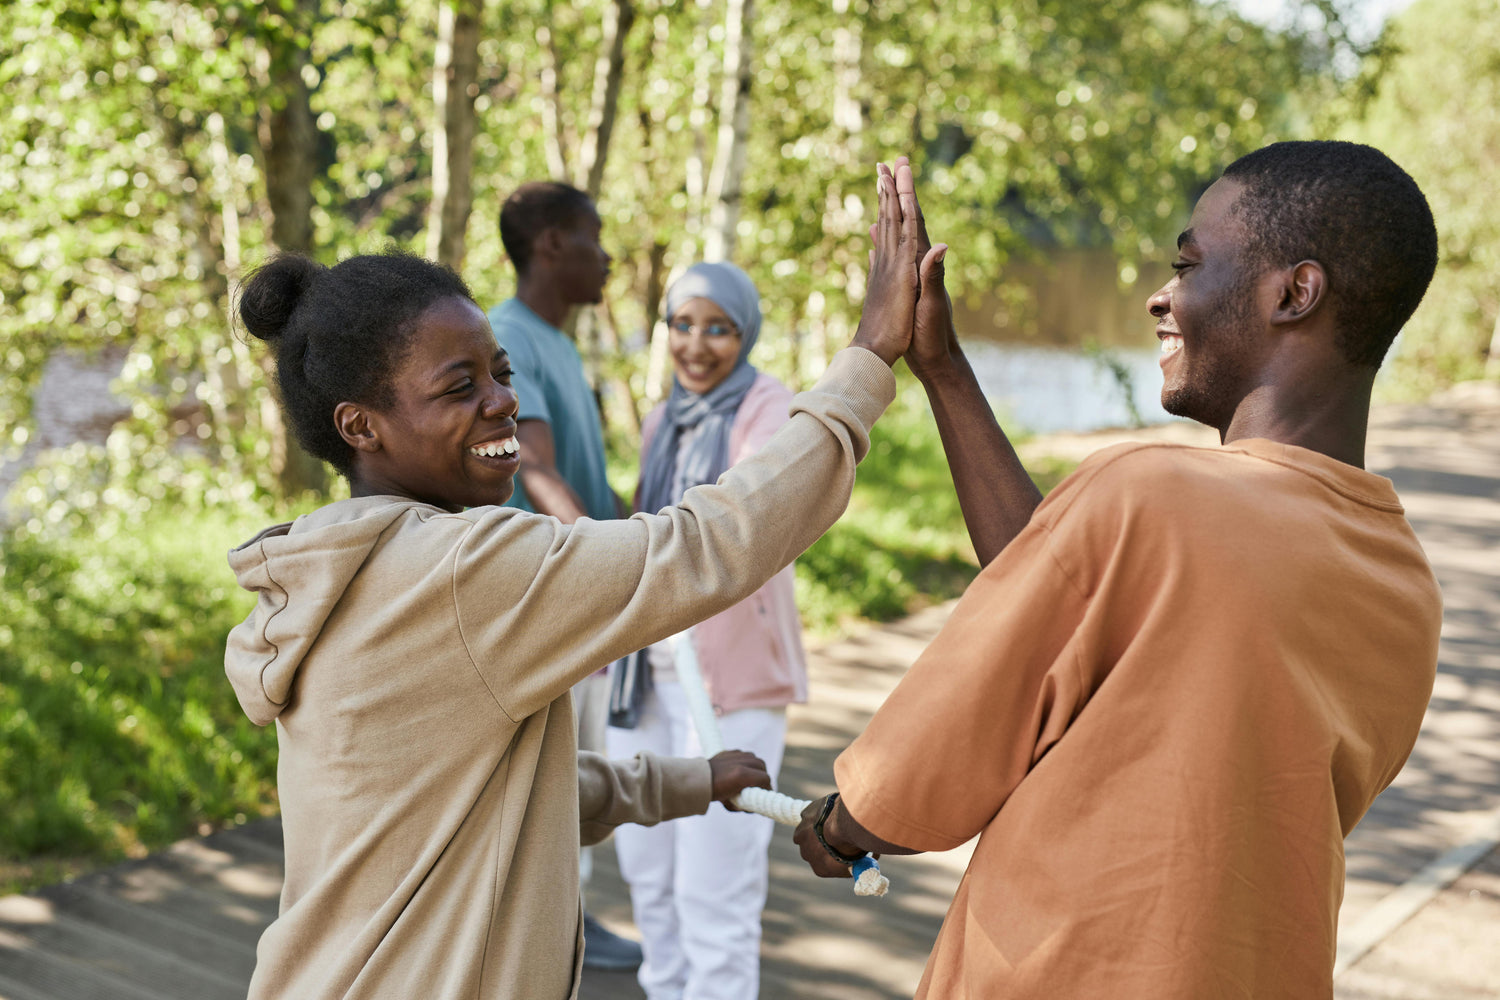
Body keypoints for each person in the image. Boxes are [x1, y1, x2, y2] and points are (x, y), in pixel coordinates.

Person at [225, 157, 919, 1000]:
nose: (502, 402)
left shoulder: (335, 568)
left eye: (502, 373)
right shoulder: (459, 570)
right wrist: (869, 359)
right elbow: (700, 550)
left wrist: (689, 782)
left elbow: (500, 792)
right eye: (459, 387)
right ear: (361, 427)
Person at [794, 143, 1444, 999]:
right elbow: (1072, 584)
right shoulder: (1399, 578)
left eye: (1187, 264)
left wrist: (843, 826)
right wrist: (943, 371)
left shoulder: (1150, 493)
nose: (1159, 294)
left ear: (1294, 293)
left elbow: (915, 785)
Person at [605, 261, 805, 1000]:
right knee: (648, 877)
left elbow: (751, 513)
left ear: (744, 331)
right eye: (682, 325)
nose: (696, 345)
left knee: (714, 894)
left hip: (730, 683)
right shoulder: (663, 419)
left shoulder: (769, 409)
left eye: (717, 327)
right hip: (641, 679)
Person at [485, 181, 633, 966]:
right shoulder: (510, 337)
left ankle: (567, 911)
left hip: (576, 581)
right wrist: (603, 566)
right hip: (548, 590)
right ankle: (548, 926)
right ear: (551, 245)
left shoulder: (563, 342)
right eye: (594, 238)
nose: (606, 257)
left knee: (578, 761)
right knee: (557, 769)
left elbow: (579, 472)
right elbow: (534, 463)